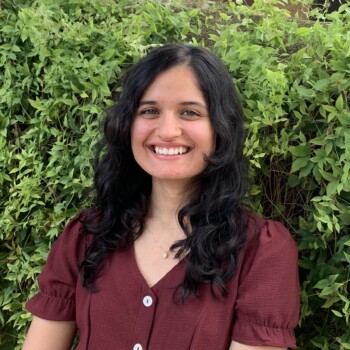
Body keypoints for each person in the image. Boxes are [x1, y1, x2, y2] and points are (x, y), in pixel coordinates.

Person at [23, 43, 299, 350]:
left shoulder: (261, 252)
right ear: (128, 125)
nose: (168, 131)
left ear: (221, 128)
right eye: (150, 111)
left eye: (190, 112)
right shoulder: (86, 237)